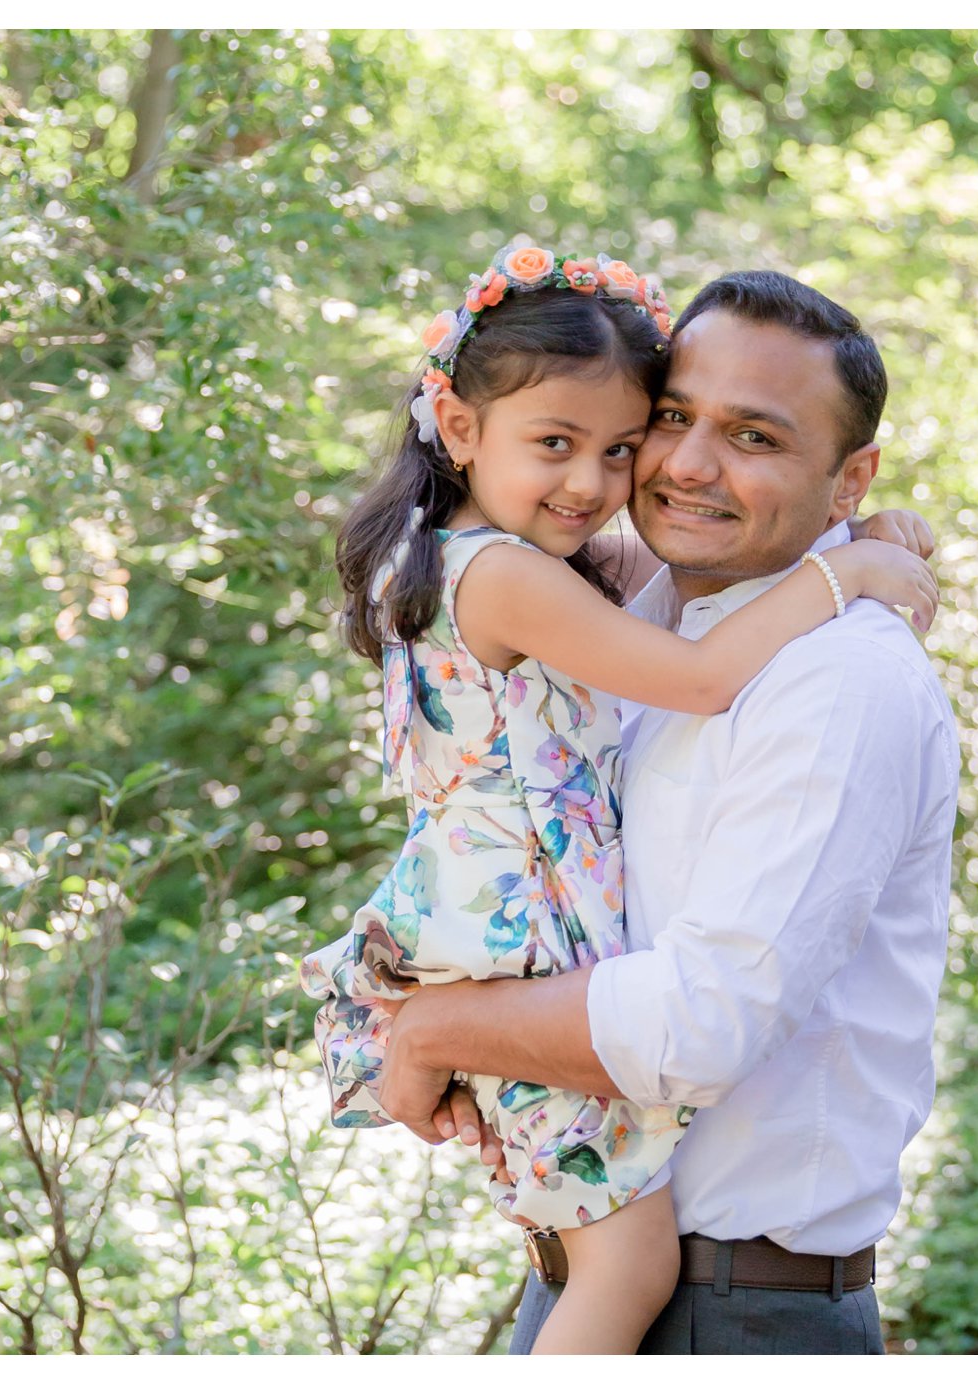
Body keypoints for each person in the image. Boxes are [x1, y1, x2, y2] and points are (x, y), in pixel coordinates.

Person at [297, 246, 939, 1354]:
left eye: (752, 436)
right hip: (603, 1266)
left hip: (737, 1312)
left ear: (850, 480)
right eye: (672, 419)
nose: (681, 466)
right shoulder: (648, 613)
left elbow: (701, 1023)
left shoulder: (838, 675)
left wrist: (438, 1029)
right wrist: (846, 556)